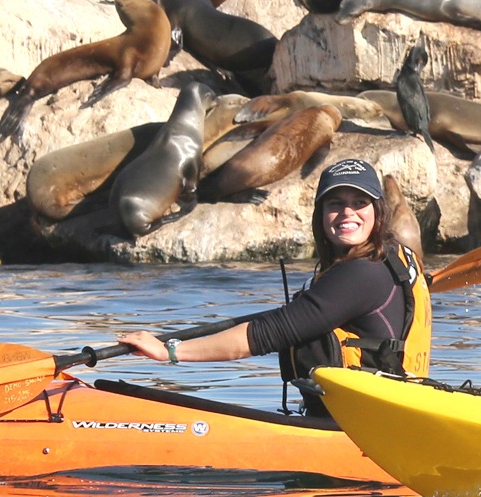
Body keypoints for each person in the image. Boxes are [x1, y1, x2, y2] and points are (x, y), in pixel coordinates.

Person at [114, 158, 430, 415]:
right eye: (335, 203)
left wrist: (170, 351)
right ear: (320, 214)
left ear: (377, 211)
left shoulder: (361, 274)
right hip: (384, 413)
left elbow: (268, 334)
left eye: (359, 202)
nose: (347, 212)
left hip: (362, 427)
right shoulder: (395, 257)